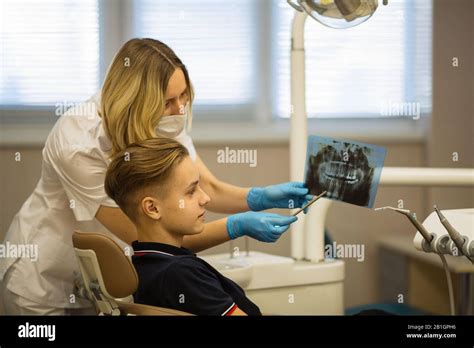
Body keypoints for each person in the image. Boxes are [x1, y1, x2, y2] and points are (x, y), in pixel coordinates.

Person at [0, 38, 313, 315]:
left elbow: (206, 187)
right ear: (138, 104)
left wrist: (259, 197)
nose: (179, 109)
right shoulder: (79, 141)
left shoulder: (164, 118)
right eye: (167, 102)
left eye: (183, 97)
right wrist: (236, 225)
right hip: (44, 280)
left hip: (99, 282)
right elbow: (148, 232)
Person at [105, 137, 266, 315]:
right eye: (191, 191)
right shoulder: (183, 274)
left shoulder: (144, 264)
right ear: (153, 208)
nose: (205, 199)